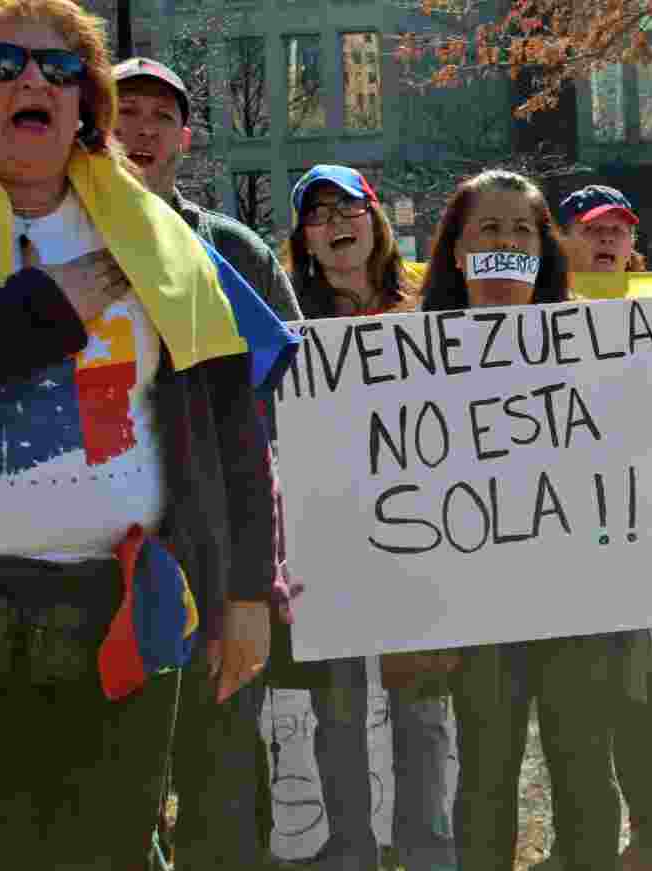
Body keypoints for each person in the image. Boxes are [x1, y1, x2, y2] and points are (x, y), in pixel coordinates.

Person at [0, 0, 296, 867]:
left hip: (122, 616)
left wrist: (248, 592)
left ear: (85, 105)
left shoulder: (162, 243)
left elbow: (236, 424)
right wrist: (44, 311)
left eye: (59, 69)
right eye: (1, 64)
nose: (33, 80)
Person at [420, 168, 652, 871]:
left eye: (522, 228)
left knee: (586, 769)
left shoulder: (600, 340)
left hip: (579, 601)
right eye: (488, 228)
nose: (505, 241)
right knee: (485, 777)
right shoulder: (402, 359)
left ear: (543, 248)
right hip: (474, 607)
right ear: (458, 250)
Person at [112, 56, 303, 869]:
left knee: (223, 796)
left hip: (212, 562)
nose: (142, 130)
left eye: (160, 116)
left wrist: (253, 577)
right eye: (125, 112)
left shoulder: (229, 249)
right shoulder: (50, 237)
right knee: (112, 804)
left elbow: (275, 402)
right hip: (97, 573)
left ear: (185, 137)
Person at [279, 163, 457, 871]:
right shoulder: (292, 321)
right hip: (330, 548)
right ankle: (350, 852)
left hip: (421, 546)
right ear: (306, 240)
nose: (335, 223)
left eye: (347, 208)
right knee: (341, 713)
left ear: (375, 220)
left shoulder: (430, 306)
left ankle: (428, 848)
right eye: (317, 215)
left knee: (422, 709)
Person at [557, 184, 652, 871]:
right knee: (575, 696)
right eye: (593, 228)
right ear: (563, 240)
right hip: (562, 535)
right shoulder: (533, 320)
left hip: (647, 529)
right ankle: (578, 832)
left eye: (619, 227)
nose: (609, 239)